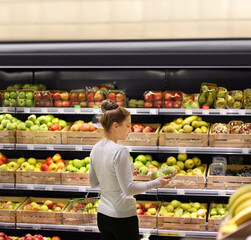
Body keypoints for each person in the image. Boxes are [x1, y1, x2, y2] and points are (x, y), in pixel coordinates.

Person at [89, 99, 175, 240]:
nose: (129, 130)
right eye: (127, 126)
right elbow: (128, 189)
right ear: (116, 126)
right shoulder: (120, 150)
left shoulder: (96, 148)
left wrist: (123, 174)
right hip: (122, 217)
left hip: (103, 216)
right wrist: (157, 183)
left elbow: (94, 182)